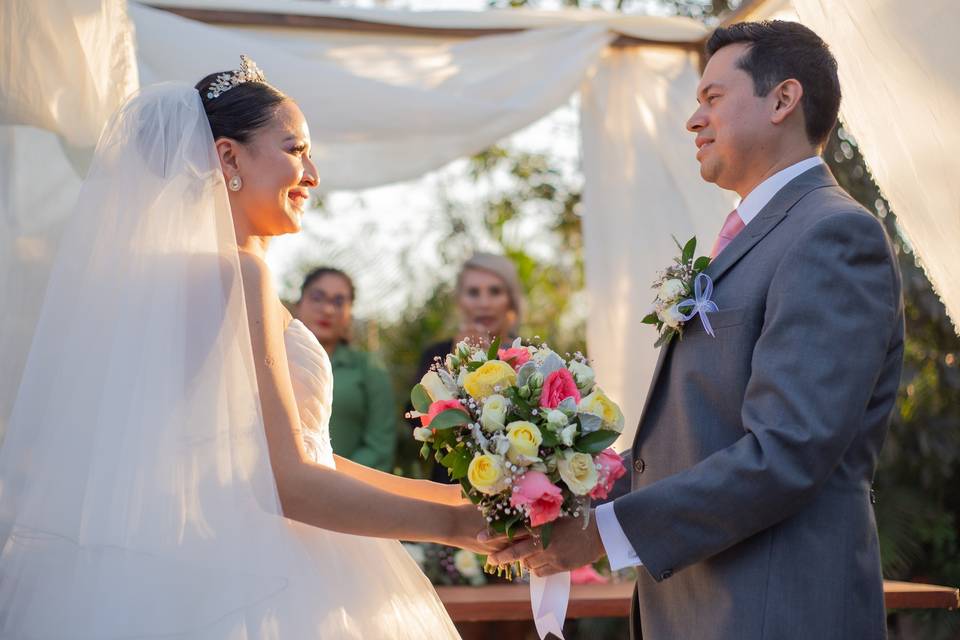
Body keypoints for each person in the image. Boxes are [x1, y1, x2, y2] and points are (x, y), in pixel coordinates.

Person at [0, 57, 502, 638]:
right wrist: (458, 528)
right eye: (295, 149)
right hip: (270, 578)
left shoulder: (172, 282)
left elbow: (294, 456)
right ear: (228, 157)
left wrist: (464, 499)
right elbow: (288, 482)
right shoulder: (240, 276)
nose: (312, 172)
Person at [491, 21, 904, 640]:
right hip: (696, 605)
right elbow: (700, 436)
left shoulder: (832, 235)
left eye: (713, 98)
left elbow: (786, 450)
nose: (694, 119)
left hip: (775, 609)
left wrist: (604, 534)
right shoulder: (754, 236)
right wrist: (574, 491)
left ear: (783, 100)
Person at [415, 253, 525, 482]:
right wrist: (454, 363)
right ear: (460, 300)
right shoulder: (436, 354)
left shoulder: (529, 356)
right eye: (474, 292)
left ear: (510, 300)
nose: (484, 303)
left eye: (495, 291)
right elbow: (416, 422)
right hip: (451, 484)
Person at [295, 267, 397, 472]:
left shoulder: (369, 369)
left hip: (347, 491)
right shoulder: (272, 359)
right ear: (299, 303)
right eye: (317, 297)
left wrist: (332, 479)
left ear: (350, 312)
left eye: (339, 302)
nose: (328, 310)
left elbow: (379, 445)